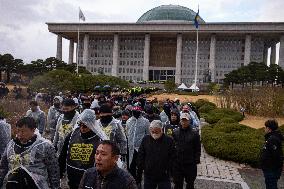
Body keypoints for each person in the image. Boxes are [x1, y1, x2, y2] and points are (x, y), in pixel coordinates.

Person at [0, 117, 60, 189]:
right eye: (18, 131)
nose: (19, 134)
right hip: (12, 184)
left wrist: (55, 187)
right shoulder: (11, 144)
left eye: (23, 131)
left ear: (33, 130)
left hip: (36, 185)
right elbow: (4, 166)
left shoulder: (45, 146)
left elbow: (53, 170)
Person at [59, 109, 107, 189]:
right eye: (79, 124)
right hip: (72, 177)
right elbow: (63, 154)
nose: (82, 128)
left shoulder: (99, 139)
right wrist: (59, 172)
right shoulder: (72, 135)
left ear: (91, 125)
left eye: (85, 126)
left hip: (90, 179)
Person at [137, 120, 175, 189]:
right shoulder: (146, 139)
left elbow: (173, 157)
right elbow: (141, 156)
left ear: (161, 130)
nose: (154, 134)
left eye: (156, 132)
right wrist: (139, 174)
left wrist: (171, 173)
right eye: (152, 132)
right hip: (149, 174)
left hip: (164, 175)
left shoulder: (169, 140)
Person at [173, 113, 201, 189]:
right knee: (178, 183)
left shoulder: (194, 133)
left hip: (190, 164)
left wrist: (196, 160)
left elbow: (198, 148)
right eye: (182, 120)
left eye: (186, 120)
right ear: (180, 121)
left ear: (189, 121)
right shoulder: (175, 132)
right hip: (178, 163)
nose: (184, 122)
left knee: (190, 183)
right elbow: (173, 146)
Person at [126, 106, 150, 179]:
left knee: (140, 166)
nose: (135, 113)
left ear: (140, 113)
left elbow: (147, 134)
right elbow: (127, 133)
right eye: (134, 112)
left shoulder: (145, 121)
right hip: (130, 147)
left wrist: (145, 145)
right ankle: (132, 181)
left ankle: (139, 180)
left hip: (140, 148)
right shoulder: (129, 121)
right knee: (131, 165)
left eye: (137, 112)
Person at [260, 119, 283, 189]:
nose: (264, 129)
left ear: (269, 129)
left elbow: (276, 156)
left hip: (271, 170)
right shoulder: (271, 137)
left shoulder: (273, 139)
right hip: (270, 169)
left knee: (271, 186)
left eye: (265, 127)